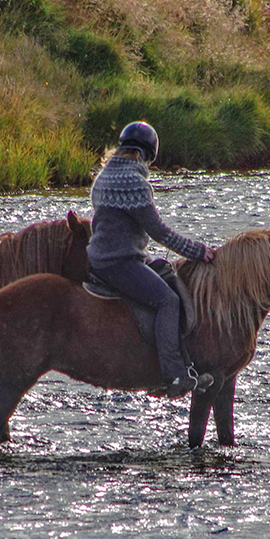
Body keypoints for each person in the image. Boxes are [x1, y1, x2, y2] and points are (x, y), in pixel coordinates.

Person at [87, 121, 215, 398]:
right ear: (148, 155)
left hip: (99, 258)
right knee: (167, 301)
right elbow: (159, 232)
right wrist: (198, 251)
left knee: (165, 272)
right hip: (120, 263)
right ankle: (174, 375)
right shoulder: (135, 183)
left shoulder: (103, 176)